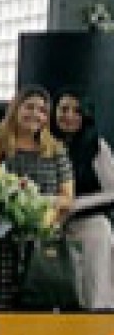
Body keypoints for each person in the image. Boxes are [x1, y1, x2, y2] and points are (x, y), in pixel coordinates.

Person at [0, 87, 74, 310]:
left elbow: (67, 198)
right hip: (2, 241)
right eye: (29, 107)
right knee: (2, 308)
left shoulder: (56, 150)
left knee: (38, 306)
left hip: (42, 241)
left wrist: (37, 204)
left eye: (42, 110)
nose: (35, 114)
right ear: (16, 108)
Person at [51, 91, 114, 310]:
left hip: (89, 227)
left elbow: (112, 191)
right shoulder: (44, 142)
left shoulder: (96, 145)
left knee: (92, 294)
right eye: (63, 109)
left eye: (76, 111)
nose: (68, 115)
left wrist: (76, 203)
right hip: (52, 228)